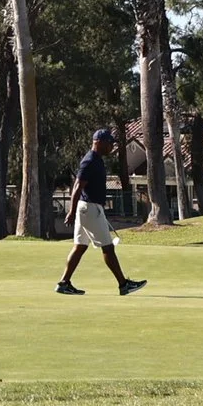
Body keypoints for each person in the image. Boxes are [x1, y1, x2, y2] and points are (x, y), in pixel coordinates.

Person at [56, 127, 144, 297]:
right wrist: (72, 211)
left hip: (88, 208)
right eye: (109, 143)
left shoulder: (97, 159)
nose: (111, 146)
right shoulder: (89, 161)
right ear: (98, 143)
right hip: (89, 209)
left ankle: (64, 283)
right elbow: (77, 186)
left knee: (80, 247)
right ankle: (124, 285)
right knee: (108, 248)